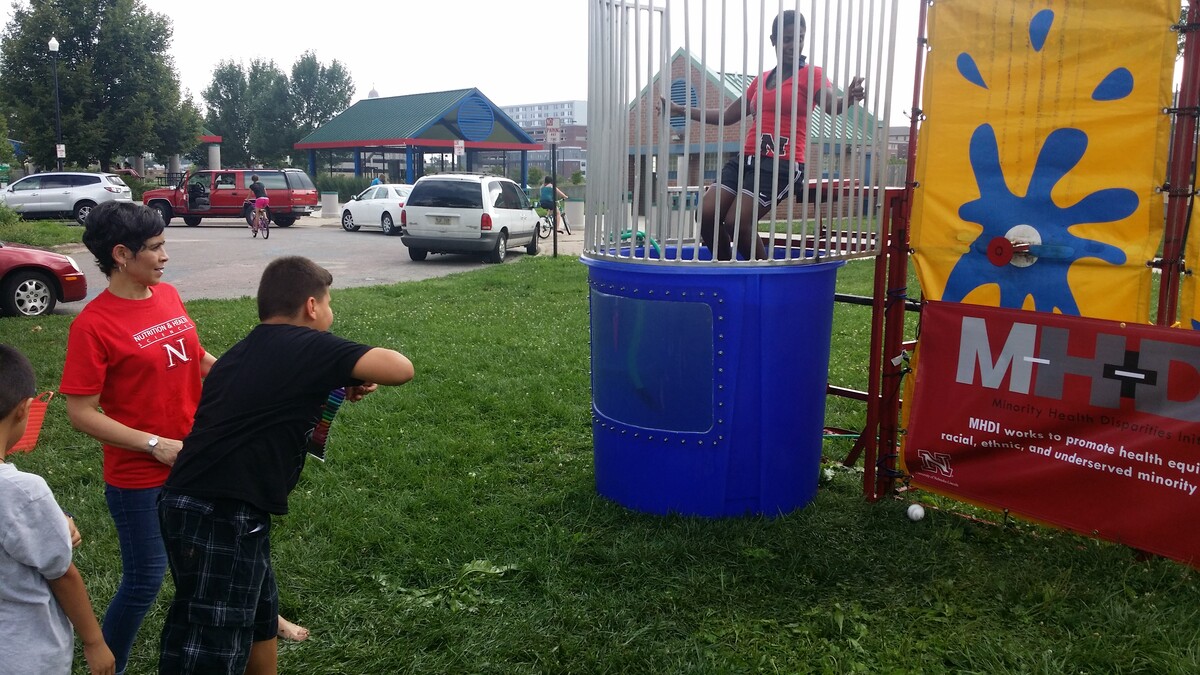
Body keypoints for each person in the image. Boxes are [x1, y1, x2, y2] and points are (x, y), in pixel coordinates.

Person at [158, 255, 415, 674]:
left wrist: (337, 378)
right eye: (329, 305)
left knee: (260, 615)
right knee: (209, 644)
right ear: (311, 306)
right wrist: (341, 367)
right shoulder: (309, 345)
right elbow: (400, 369)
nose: (331, 315)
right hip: (219, 510)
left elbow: (274, 387)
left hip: (209, 502)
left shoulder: (247, 349)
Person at [59, 201, 216, 675]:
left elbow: (196, 356)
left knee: (207, 561)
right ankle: (108, 663)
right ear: (122, 254)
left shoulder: (166, 296)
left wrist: (243, 374)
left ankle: (253, 622)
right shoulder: (94, 325)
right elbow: (80, 413)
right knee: (146, 578)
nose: (165, 255)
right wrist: (155, 444)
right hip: (139, 477)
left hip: (192, 458)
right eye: (156, 247)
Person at [663, 10, 865, 260]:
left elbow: (831, 105)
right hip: (746, 160)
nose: (794, 45)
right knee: (705, 213)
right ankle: (727, 272)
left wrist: (849, 99)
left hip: (781, 164)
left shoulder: (812, 75)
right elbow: (727, 116)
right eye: (788, 39)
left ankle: (760, 280)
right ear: (774, 40)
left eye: (799, 38)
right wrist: (680, 110)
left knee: (736, 222)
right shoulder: (761, 80)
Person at [0, 345, 116, 675]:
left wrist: (57, 518)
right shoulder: (24, 492)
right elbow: (62, 573)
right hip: (25, 654)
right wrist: (94, 642)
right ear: (24, 409)